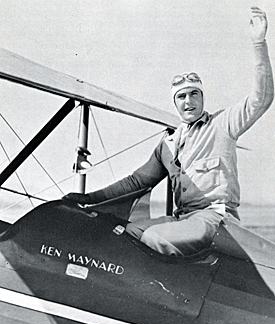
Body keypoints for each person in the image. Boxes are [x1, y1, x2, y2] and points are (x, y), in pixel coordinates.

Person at [63, 7, 274, 257]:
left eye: (194, 94)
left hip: (215, 220)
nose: (188, 101)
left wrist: (258, 43)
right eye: (182, 96)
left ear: (202, 98)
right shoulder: (169, 145)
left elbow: (261, 98)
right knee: (125, 231)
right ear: (175, 103)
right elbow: (136, 181)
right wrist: (88, 198)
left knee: (153, 237)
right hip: (182, 220)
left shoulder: (222, 124)